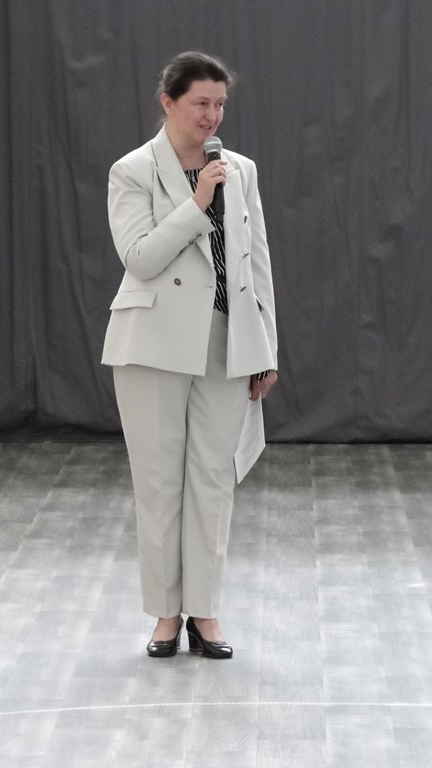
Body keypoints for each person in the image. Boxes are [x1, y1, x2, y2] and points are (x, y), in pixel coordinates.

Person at [102, 51, 278, 659]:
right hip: (152, 344)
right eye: (201, 103)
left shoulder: (240, 169)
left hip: (227, 341)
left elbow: (256, 262)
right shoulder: (133, 170)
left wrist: (265, 346)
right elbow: (140, 258)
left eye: (220, 104)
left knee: (213, 480)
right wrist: (198, 201)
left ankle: (205, 613)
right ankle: (164, 616)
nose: (212, 115)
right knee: (158, 484)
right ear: (168, 102)